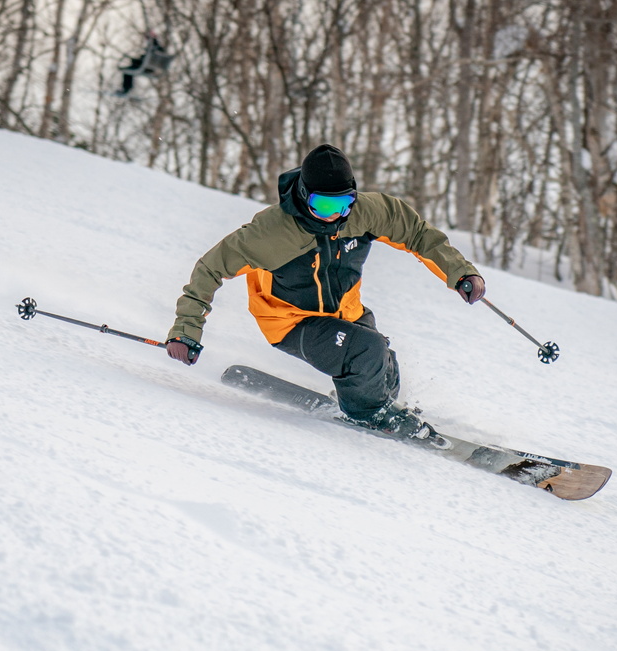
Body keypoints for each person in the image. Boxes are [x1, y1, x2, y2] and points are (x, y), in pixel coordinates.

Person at [164, 144, 486, 441]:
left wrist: (460, 272)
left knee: (385, 368)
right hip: (291, 321)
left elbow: (417, 233)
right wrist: (185, 331)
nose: (334, 213)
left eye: (343, 203)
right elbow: (210, 268)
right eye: (324, 204)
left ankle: (372, 402)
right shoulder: (271, 233)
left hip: (346, 311)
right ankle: (369, 415)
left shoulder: (366, 213)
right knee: (367, 352)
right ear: (305, 196)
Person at [116, 31, 168, 97]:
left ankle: (126, 89)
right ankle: (127, 89)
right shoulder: (158, 48)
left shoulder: (153, 47)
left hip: (146, 68)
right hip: (150, 68)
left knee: (127, 71)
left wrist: (135, 61)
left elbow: (145, 58)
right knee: (130, 69)